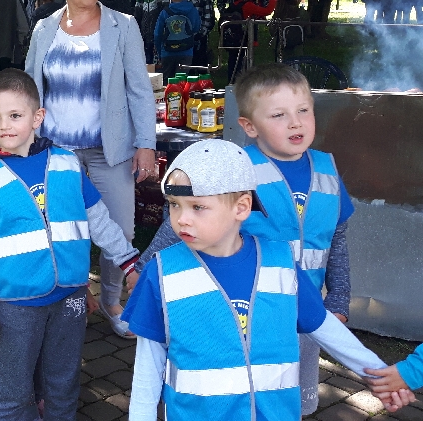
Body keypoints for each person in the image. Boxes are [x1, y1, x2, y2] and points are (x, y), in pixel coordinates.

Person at [134, 64, 359, 415]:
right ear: (250, 126)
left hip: (305, 307)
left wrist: (340, 297)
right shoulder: (236, 168)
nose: (296, 123)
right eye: (279, 115)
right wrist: (146, 266)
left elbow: (337, 238)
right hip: (244, 306)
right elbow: (185, 219)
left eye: (303, 110)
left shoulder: (328, 171)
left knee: (287, 395)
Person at [123, 138, 387, 421]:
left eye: (197, 207)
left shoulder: (282, 265)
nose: (181, 219)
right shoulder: (161, 272)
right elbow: (148, 366)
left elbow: (325, 328)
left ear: (241, 207)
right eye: (175, 205)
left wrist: (380, 374)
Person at [0, 69, 140, 419]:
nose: (4, 125)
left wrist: (128, 261)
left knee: (63, 379)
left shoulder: (68, 164)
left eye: (15, 115)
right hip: (18, 303)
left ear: (37, 117)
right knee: (13, 387)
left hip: (70, 297)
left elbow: (99, 220)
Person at [24, 0, 156, 338]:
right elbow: (30, 88)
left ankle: (113, 300)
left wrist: (146, 144)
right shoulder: (44, 29)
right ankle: (73, 298)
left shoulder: (123, 25)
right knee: (64, 231)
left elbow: (139, 90)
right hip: (56, 151)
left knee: (121, 231)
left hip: (109, 150)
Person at [223, 0, 277, 83]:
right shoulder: (247, 6)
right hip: (243, 40)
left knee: (233, 63)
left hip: (232, 40)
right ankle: (241, 84)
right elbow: (266, 11)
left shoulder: (233, 5)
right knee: (242, 65)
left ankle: (231, 83)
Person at [154, 0, 201, 81]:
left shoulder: (165, 12)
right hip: (186, 51)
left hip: (167, 51)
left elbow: (157, 34)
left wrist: (159, 51)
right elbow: (196, 27)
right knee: (182, 81)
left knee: (166, 82)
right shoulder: (192, 10)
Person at [134, 0, 168, 65]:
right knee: (146, 62)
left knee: (158, 63)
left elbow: (166, 16)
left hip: (158, 35)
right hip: (144, 36)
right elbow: (137, 17)